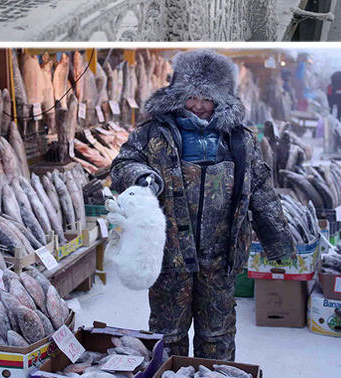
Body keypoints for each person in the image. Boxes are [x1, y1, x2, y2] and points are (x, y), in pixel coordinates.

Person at [111, 49, 295, 360]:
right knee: (168, 337)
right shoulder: (153, 133)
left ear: (222, 98)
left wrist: (278, 243)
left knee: (217, 337)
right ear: (178, 93)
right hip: (170, 256)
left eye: (206, 98)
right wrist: (140, 176)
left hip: (220, 259)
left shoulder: (240, 140)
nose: (198, 105)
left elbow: (261, 189)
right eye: (191, 96)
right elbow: (121, 165)